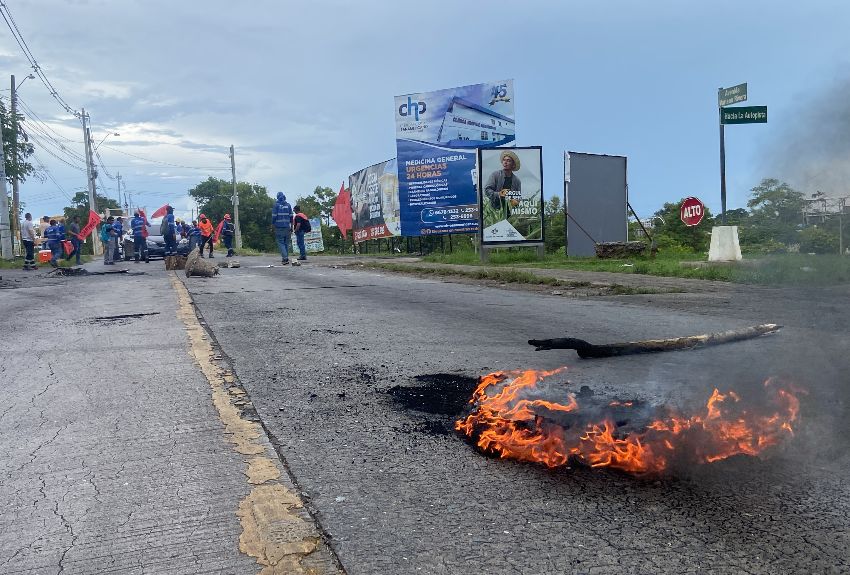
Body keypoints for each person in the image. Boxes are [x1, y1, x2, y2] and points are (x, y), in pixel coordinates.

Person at [483, 150, 522, 222]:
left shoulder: (517, 181)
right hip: (494, 213)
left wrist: (515, 201)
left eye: (508, 160)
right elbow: (487, 190)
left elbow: (518, 198)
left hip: (509, 215)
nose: (505, 162)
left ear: (513, 164)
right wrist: (499, 194)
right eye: (504, 160)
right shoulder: (495, 175)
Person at [271, 192, 293, 265]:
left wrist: (272, 225)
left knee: (281, 243)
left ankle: (285, 258)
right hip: (287, 226)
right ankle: (286, 257)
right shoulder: (288, 205)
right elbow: (291, 217)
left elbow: (274, 216)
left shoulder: (276, 205)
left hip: (279, 227)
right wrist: (292, 226)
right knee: (286, 243)